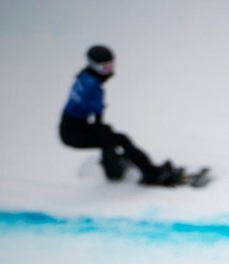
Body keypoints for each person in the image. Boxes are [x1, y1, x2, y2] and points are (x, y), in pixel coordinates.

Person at [59, 45, 181, 186]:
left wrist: (99, 123)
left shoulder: (88, 77)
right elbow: (82, 105)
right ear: (93, 66)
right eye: (105, 68)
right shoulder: (91, 86)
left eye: (111, 66)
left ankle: (121, 166)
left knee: (110, 135)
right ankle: (150, 174)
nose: (109, 71)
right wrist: (97, 118)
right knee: (120, 139)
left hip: (75, 127)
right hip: (72, 134)